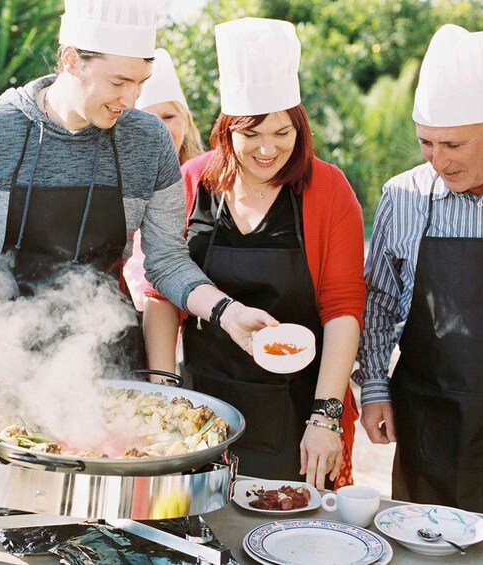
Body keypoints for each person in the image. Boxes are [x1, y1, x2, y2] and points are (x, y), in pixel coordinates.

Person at [0, 0, 277, 368]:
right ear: (72, 60)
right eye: (118, 82)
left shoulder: (148, 141)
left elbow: (167, 261)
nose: (130, 100)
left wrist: (228, 313)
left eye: (140, 83)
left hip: (108, 351)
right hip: (6, 353)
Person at [143, 18, 365, 490]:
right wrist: (163, 391)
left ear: (299, 127)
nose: (268, 150)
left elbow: (343, 308)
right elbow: (160, 291)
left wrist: (326, 417)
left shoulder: (328, 190)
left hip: (302, 405)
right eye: (251, 135)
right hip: (202, 404)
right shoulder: (192, 180)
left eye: (282, 133)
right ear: (227, 131)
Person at [354, 24, 483, 515]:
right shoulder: (404, 196)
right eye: (427, 143)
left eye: (454, 145)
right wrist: (375, 387)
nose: (438, 160)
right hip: (429, 417)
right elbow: (377, 298)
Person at [122, 47, 204, 313]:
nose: (161, 129)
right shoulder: (115, 188)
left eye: (169, 117)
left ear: (187, 123)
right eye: (148, 118)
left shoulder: (209, 183)